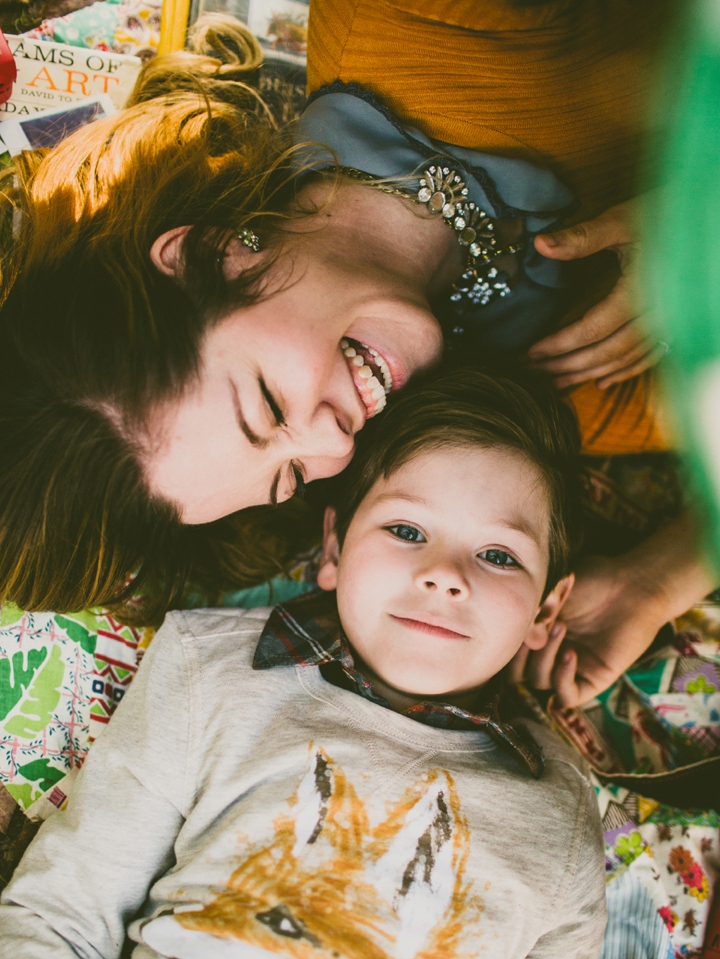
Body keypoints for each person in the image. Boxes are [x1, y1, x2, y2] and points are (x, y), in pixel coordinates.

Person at [0, 8, 711, 704]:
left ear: (208, 255)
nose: (334, 443)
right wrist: (662, 577)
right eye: (291, 476)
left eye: (270, 405)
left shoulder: (422, 18)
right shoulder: (538, 399)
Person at [0, 369, 605, 959]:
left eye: (499, 555)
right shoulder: (209, 670)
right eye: (407, 530)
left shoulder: (559, 813)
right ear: (335, 549)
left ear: (546, 610)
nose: (446, 575)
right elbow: (56, 922)